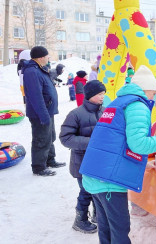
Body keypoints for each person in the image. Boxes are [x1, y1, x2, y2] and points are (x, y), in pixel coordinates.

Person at [80, 65, 156, 244]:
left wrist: (144, 164)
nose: (153, 97)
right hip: (109, 182)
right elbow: (138, 143)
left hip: (95, 174)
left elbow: (117, 143)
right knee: (120, 230)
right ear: (146, 89)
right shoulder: (137, 105)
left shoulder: (116, 103)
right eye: (153, 93)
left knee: (107, 228)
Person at [59, 80, 106, 234]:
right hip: (82, 162)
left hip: (99, 161)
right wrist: (92, 142)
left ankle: (97, 214)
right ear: (91, 95)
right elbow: (65, 138)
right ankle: (80, 220)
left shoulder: (104, 111)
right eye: (99, 94)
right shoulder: (76, 114)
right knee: (86, 191)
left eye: (103, 93)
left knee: (98, 190)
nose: (102, 97)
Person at [23, 46, 66, 176]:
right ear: (41, 57)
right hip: (40, 113)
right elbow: (35, 96)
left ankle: (50, 160)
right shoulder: (32, 72)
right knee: (41, 139)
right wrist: (43, 115)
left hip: (47, 111)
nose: (49, 58)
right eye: (47, 56)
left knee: (50, 137)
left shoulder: (40, 69)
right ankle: (39, 167)